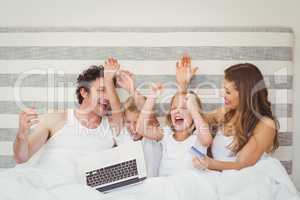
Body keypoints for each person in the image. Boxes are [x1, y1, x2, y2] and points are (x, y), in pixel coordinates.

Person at [13, 58, 123, 178]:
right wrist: (22, 135)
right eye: (101, 90)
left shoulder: (113, 125)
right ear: (84, 92)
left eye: (111, 91)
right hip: (47, 186)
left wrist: (111, 80)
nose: (107, 97)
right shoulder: (56, 118)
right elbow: (21, 157)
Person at [191, 63, 280, 171]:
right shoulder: (226, 112)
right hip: (219, 178)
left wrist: (209, 163)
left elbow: (241, 165)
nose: (222, 95)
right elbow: (196, 120)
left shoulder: (265, 125)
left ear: (245, 95)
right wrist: (184, 85)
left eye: (228, 92)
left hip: (246, 181)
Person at [135, 55, 213, 176]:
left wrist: (194, 110)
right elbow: (140, 128)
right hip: (166, 186)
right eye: (173, 108)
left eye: (184, 108)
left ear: (194, 113)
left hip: (191, 185)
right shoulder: (165, 134)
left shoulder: (198, 135)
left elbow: (207, 140)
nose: (177, 111)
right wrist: (151, 98)